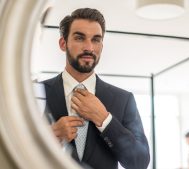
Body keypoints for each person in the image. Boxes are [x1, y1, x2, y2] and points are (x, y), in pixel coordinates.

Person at [43, 8, 150, 169]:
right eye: (80, 38)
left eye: (96, 39)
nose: (89, 47)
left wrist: (105, 120)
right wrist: (50, 135)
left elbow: (139, 162)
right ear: (63, 43)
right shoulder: (35, 93)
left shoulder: (123, 99)